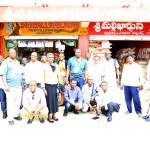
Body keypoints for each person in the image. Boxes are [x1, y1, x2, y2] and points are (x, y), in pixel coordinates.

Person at [1, 48, 23, 126]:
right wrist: (6, 85)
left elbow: (20, 74)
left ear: (15, 54)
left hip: (18, 86)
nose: (12, 54)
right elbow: (3, 74)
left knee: (17, 102)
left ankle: (15, 115)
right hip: (10, 87)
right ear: (9, 54)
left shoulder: (17, 62)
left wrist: (21, 84)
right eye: (11, 53)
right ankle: (10, 118)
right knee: (10, 103)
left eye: (14, 53)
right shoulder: (5, 62)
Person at [42, 53, 62, 123]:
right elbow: (42, 78)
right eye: (49, 57)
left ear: (54, 58)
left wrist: (61, 84)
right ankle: (49, 115)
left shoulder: (57, 66)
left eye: (52, 57)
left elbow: (59, 76)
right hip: (48, 85)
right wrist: (44, 88)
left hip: (55, 85)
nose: (50, 58)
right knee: (49, 101)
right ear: (47, 58)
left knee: (55, 101)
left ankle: (54, 114)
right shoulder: (44, 66)